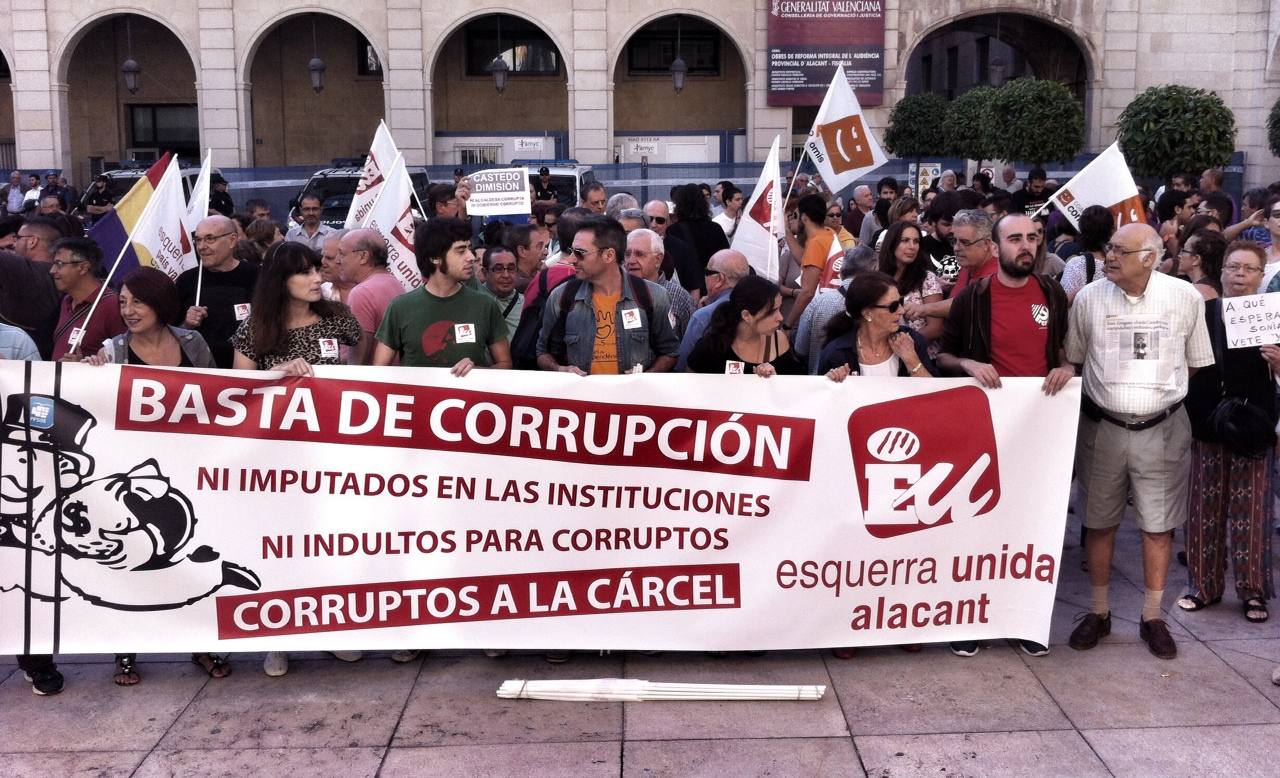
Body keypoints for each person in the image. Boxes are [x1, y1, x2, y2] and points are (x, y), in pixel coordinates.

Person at [1066, 222, 1214, 660]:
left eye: (1120, 251)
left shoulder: (1184, 297)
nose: (1109, 256)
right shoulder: (1089, 298)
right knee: (1099, 520)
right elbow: (1073, 357)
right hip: (1102, 428)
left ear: (1149, 258)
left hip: (1164, 429)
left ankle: (1152, 616)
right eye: (1108, 248)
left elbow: (1198, 363)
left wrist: (1159, 395)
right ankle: (1099, 611)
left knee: (1158, 524)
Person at [75, 267, 219, 682]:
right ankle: (126, 653)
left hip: (190, 467)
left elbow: (221, 395)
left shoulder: (192, 341)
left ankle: (202, 646)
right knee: (127, 563)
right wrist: (90, 370)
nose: (128, 310)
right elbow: (87, 398)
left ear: (159, 302)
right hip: (129, 479)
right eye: (122, 302)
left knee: (193, 556)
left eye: (137, 301)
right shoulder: (114, 350)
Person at [1179, 241, 1277, 625]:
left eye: (1248, 269)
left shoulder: (1274, 316)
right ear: (1221, 273)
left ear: (1260, 275)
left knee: (1252, 512)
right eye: (1233, 267)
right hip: (1207, 422)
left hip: (1253, 427)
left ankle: (1253, 591)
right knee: (1204, 509)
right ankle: (1204, 586)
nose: (1239, 275)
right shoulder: (1203, 313)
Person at [536, 215, 679, 375]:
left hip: (630, 397)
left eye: (580, 253)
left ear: (609, 256)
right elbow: (542, 352)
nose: (571, 259)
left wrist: (644, 378)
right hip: (582, 397)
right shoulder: (561, 297)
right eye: (571, 251)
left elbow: (670, 352)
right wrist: (561, 369)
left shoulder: (653, 296)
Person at [374, 217, 511, 374]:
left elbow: (505, 364)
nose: (471, 257)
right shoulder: (399, 307)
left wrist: (478, 373)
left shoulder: (486, 305)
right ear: (435, 258)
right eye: (461, 251)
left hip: (470, 398)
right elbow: (379, 371)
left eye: (469, 249)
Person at [177, 215, 261, 369]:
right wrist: (186, 324)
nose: (202, 246)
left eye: (210, 239)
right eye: (198, 239)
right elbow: (170, 335)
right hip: (200, 374)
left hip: (248, 374)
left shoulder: (258, 276)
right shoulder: (186, 281)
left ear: (232, 240)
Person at [817, 271, 935, 379]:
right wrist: (834, 383)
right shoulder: (837, 353)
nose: (901, 311)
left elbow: (935, 395)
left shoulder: (911, 341)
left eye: (901, 302)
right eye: (893, 306)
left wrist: (912, 360)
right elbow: (825, 397)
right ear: (867, 313)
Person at [686, 275, 804, 376]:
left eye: (779, 309)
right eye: (771, 312)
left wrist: (774, 380)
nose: (780, 318)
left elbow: (793, 390)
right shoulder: (712, 345)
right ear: (746, 315)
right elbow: (691, 385)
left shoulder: (779, 341)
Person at [48, 237, 126, 360]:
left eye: (59, 264)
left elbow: (123, 357)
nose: (52, 271)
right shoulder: (67, 301)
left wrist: (84, 365)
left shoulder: (112, 306)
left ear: (83, 267)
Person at [676, 249, 751, 371]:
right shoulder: (757, 307)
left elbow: (682, 364)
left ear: (720, 279)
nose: (704, 276)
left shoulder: (703, 316)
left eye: (707, 272)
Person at [795, 247, 867, 374]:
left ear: (842, 271)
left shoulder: (818, 302)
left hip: (818, 381)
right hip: (863, 384)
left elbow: (800, 349)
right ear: (872, 271)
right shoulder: (876, 305)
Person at [878, 221, 944, 351]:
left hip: (921, 354)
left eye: (916, 241)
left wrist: (903, 346)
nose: (912, 246)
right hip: (882, 353)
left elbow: (936, 328)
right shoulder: (877, 277)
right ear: (892, 243)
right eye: (905, 240)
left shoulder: (926, 278)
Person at [625, 228, 695, 338]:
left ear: (658, 259)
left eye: (639, 254)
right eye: (627, 254)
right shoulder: (615, 292)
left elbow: (689, 342)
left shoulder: (678, 296)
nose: (631, 260)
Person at [782, 194, 836, 331]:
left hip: (823, 316)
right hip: (832, 310)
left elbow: (807, 292)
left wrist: (787, 325)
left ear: (804, 217)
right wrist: (787, 231)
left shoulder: (816, 243)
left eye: (796, 215)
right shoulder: (829, 234)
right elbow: (804, 261)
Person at [643, 199, 703, 297]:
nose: (653, 224)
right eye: (649, 219)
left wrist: (690, 310)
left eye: (660, 220)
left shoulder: (682, 249)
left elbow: (694, 287)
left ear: (667, 223)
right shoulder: (630, 245)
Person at [668, 183, 730, 275]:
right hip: (713, 280)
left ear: (679, 205)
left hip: (685, 283)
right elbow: (725, 256)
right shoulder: (715, 228)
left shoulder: (673, 231)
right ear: (703, 203)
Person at [1059, 206, 1116, 303]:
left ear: (1082, 231)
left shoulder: (1076, 265)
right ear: (1111, 230)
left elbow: (1062, 303)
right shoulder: (1119, 262)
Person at [481, 244, 524, 335]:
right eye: (498, 269)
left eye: (511, 269)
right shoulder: (475, 301)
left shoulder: (525, 305)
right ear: (485, 272)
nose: (506, 275)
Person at [1175, 229, 1227, 301]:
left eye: (1184, 251)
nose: (1179, 255)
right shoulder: (1222, 285)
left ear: (1196, 259)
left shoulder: (1196, 293)